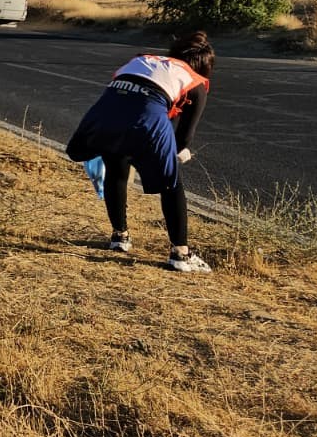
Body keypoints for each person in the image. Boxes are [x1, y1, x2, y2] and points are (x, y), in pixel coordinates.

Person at [65, 32, 215, 273]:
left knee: (115, 166)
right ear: (204, 66)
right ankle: (181, 254)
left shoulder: (142, 60)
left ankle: (119, 237)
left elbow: (124, 96)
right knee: (171, 183)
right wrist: (175, 155)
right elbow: (184, 137)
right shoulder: (195, 81)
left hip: (103, 116)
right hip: (147, 119)